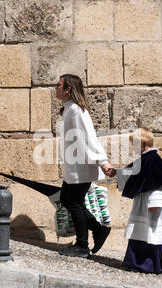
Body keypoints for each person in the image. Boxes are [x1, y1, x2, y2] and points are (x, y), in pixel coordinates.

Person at [55, 74, 115, 258]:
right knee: (67, 199)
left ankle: (82, 245)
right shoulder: (69, 109)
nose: (55, 88)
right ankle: (98, 230)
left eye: (59, 85)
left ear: (68, 89)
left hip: (82, 166)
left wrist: (103, 162)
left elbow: (89, 137)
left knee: (74, 202)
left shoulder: (77, 111)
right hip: (75, 166)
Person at [117, 128, 162, 274]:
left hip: (151, 205)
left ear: (143, 143)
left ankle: (150, 265)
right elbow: (131, 172)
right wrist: (116, 173)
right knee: (141, 233)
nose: (132, 148)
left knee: (151, 234)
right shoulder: (144, 159)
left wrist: (155, 204)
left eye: (134, 144)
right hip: (142, 204)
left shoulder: (153, 161)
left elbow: (157, 185)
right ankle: (136, 263)